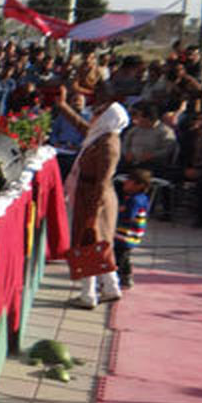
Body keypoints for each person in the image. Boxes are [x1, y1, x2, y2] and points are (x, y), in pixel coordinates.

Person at [55, 95, 130, 309]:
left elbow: (103, 180)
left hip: (95, 198)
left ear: (108, 118)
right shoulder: (100, 136)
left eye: (99, 113)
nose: (94, 117)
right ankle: (110, 287)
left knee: (89, 243)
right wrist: (63, 106)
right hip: (88, 194)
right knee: (100, 244)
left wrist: (93, 213)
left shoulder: (108, 145)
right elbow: (82, 126)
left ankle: (88, 294)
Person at [114, 168, 152, 289]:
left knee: (118, 258)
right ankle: (127, 277)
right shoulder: (143, 197)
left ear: (139, 185)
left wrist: (120, 211)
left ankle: (115, 281)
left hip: (125, 235)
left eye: (129, 181)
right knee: (124, 257)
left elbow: (129, 216)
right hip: (133, 235)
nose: (125, 183)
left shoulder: (134, 200)